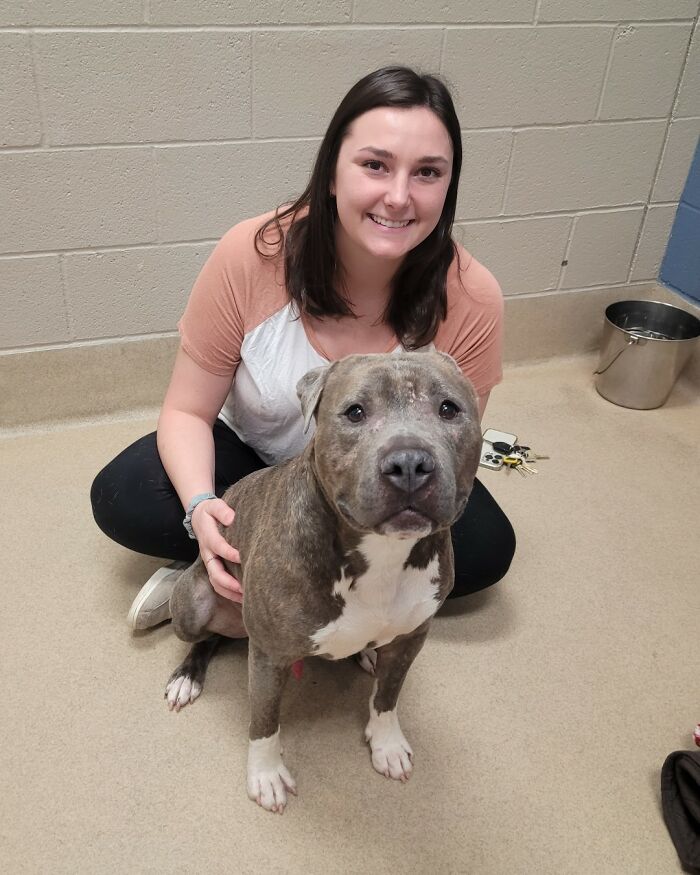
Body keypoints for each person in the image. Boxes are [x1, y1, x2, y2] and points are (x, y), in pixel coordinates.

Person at [91, 66, 515, 632]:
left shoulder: (471, 296)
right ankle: (215, 562)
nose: (398, 195)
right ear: (333, 173)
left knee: (486, 550)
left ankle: (336, 592)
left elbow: (457, 447)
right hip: (254, 464)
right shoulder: (252, 253)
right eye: (375, 165)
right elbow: (187, 412)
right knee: (125, 494)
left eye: (428, 173)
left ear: (448, 186)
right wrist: (201, 511)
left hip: (377, 477)